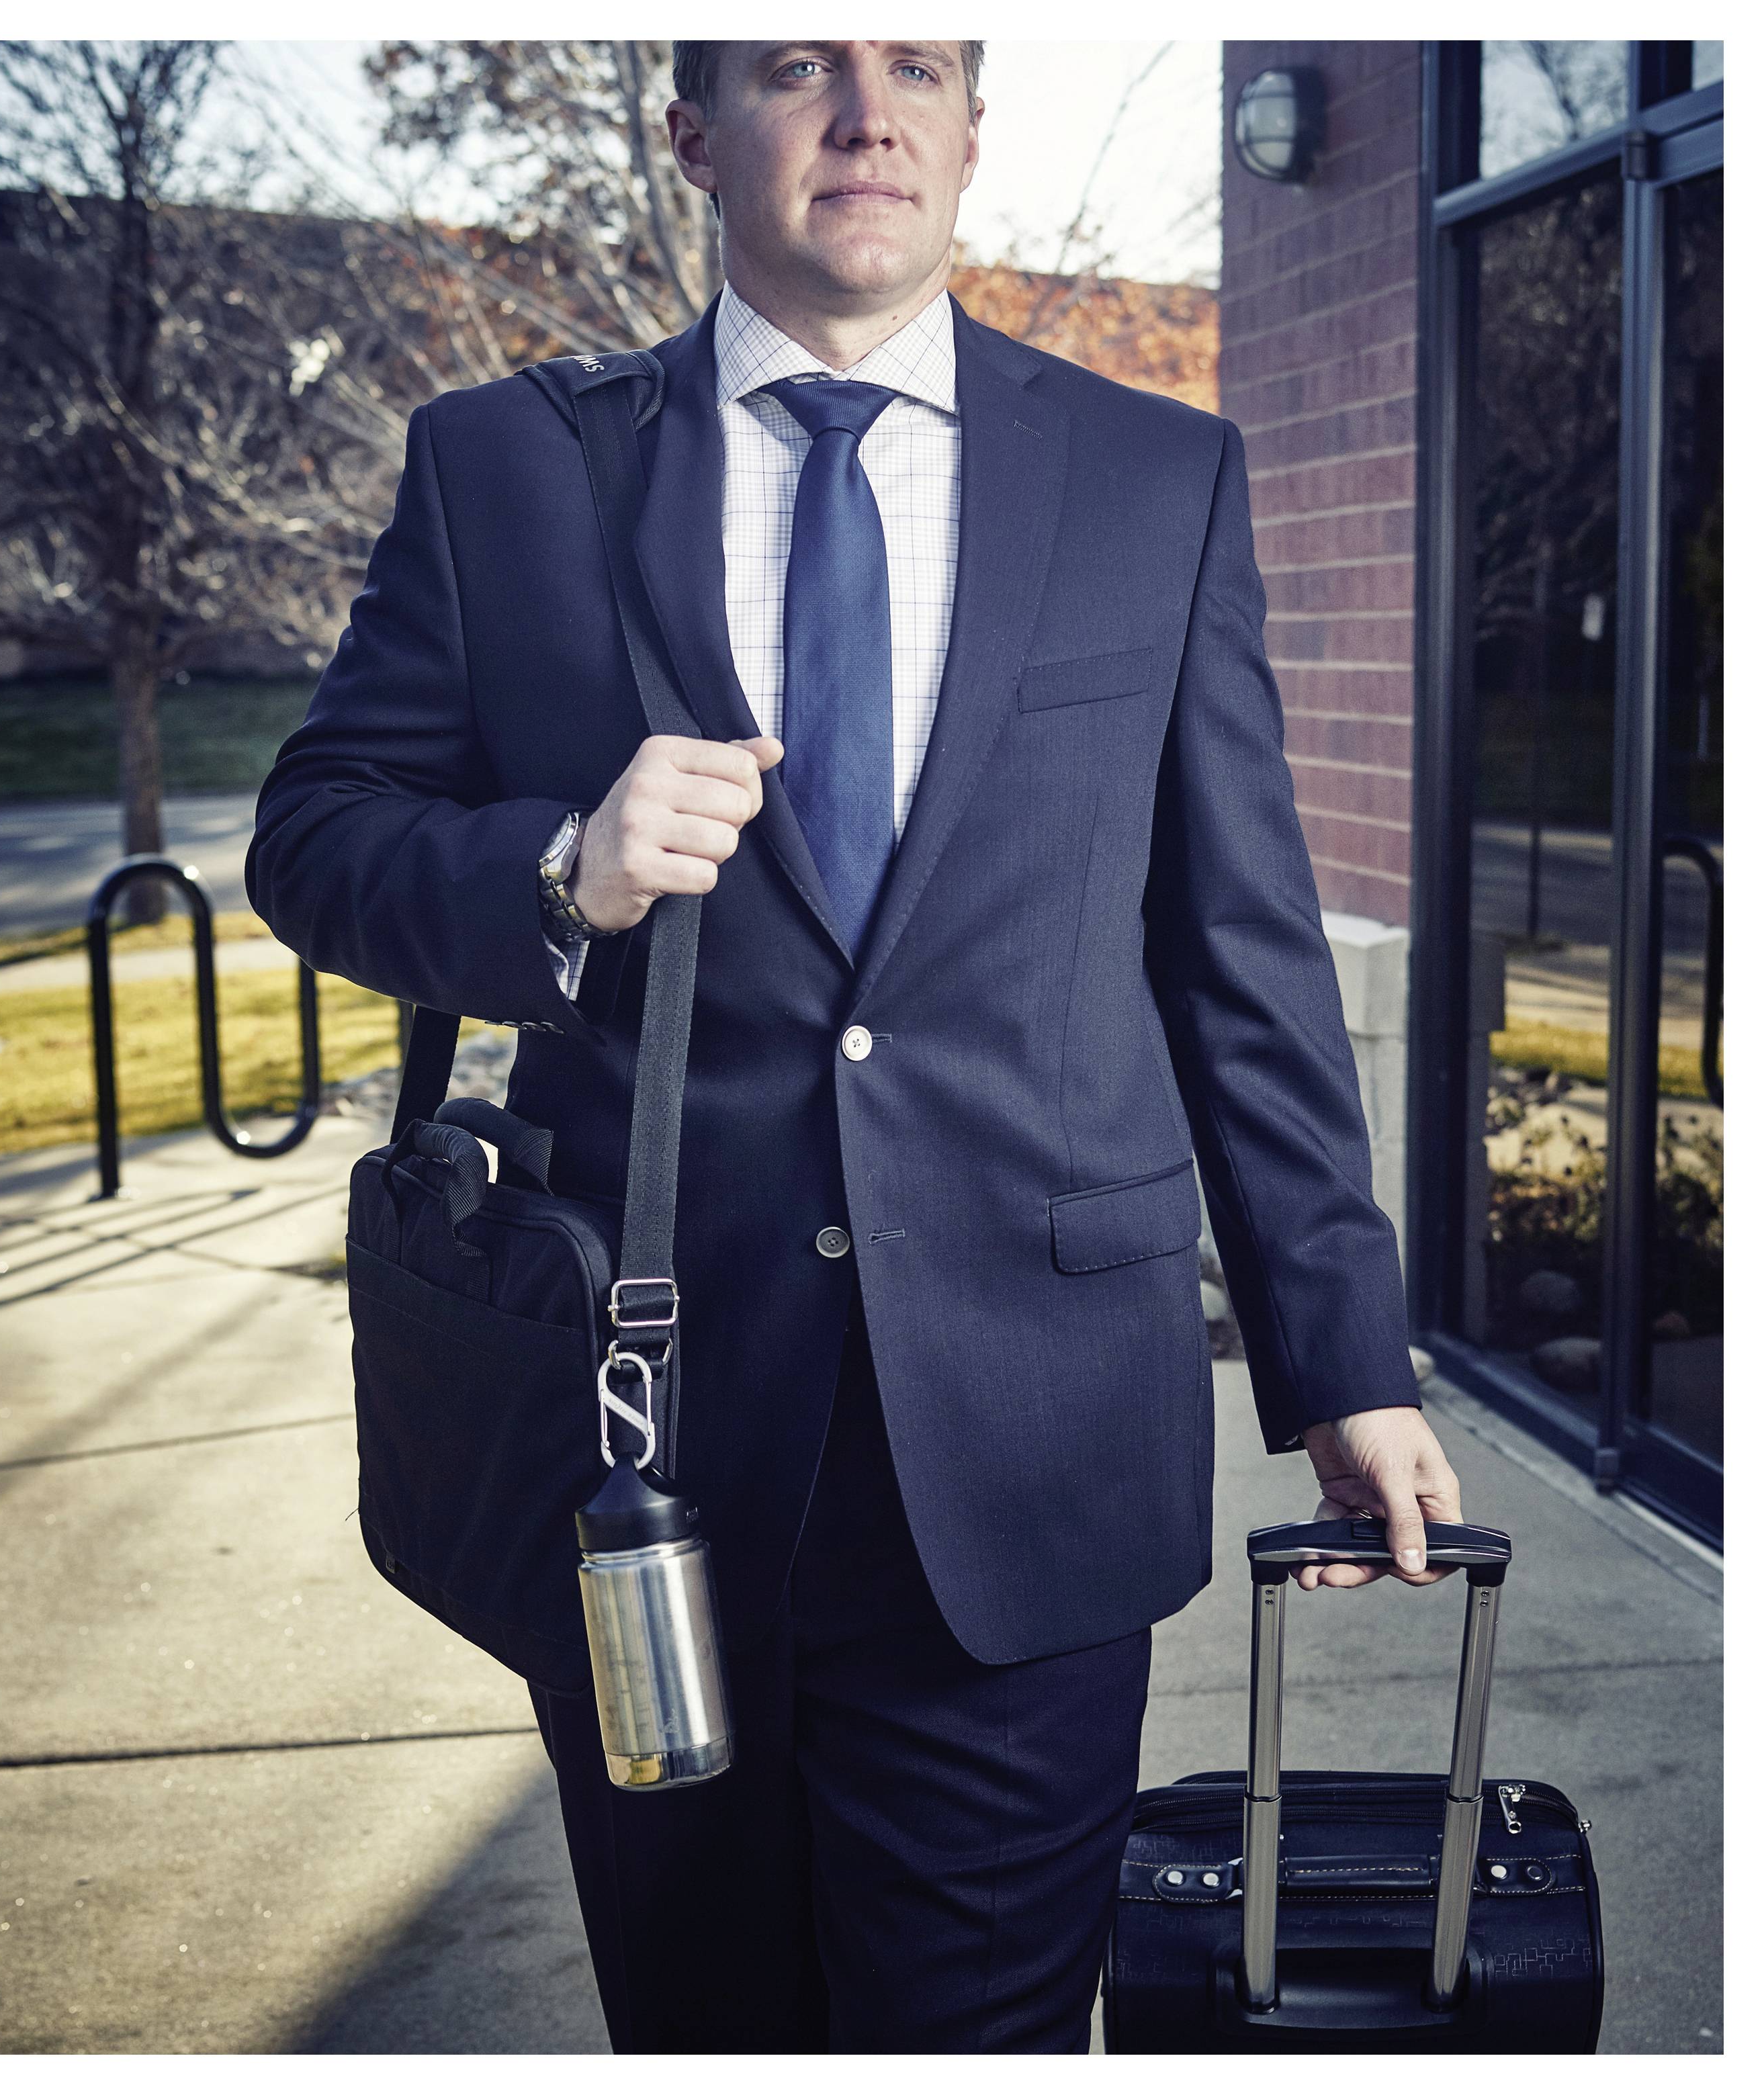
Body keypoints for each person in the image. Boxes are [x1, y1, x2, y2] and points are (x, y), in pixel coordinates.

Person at [246, 38, 1466, 2053]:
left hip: (1034, 1448)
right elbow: (313, 839)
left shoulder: (1158, 479)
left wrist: (1344, 1360)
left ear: (978, 128)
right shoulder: (508, 468)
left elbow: (1237, 957)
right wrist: (560, 864)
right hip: (645, 1464)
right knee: (705, 2025)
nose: (867, 110)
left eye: (917, 64)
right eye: (802, 64)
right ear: (693, 131)